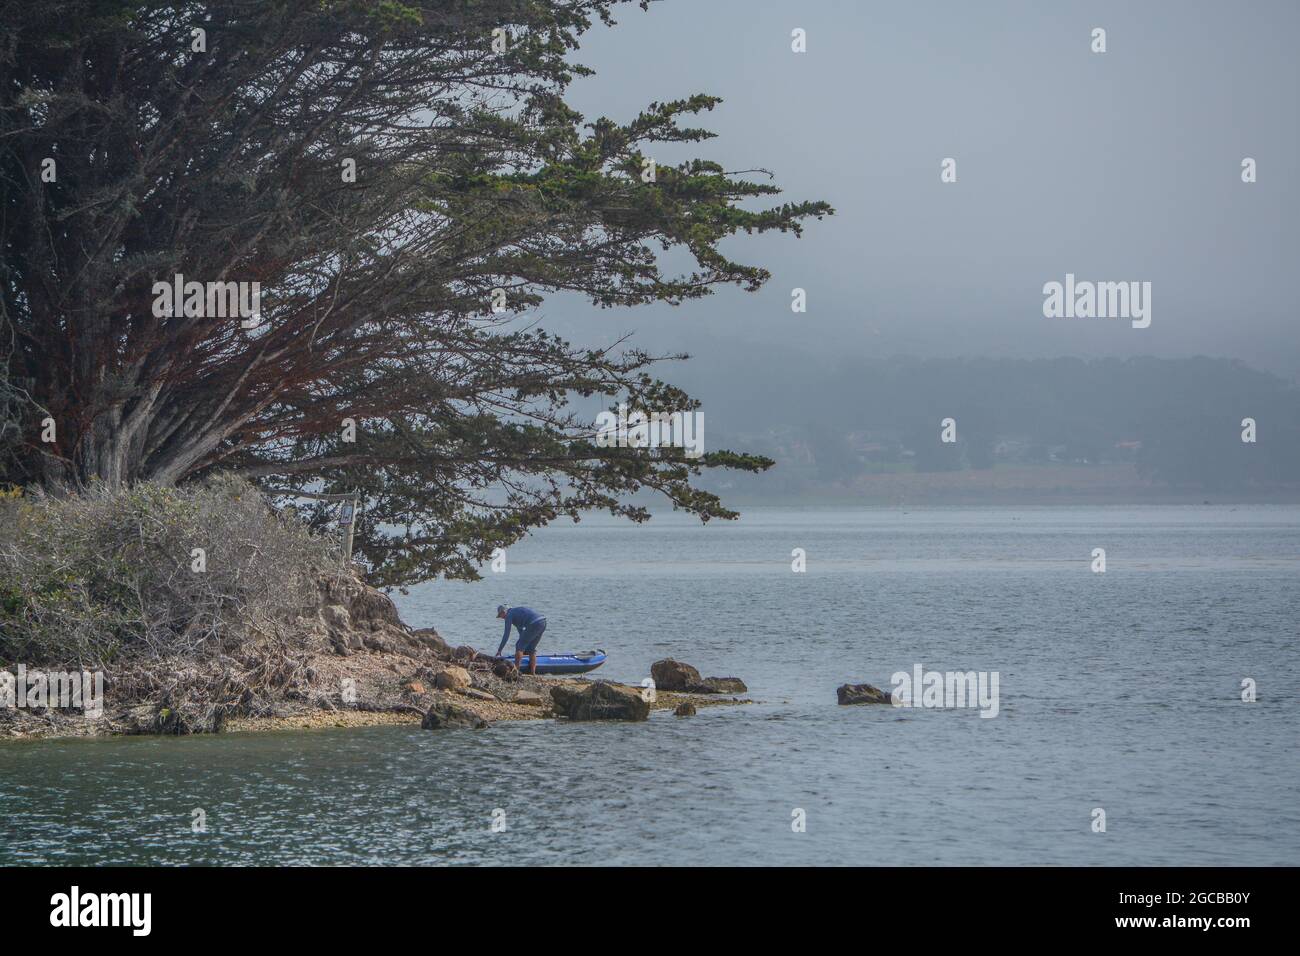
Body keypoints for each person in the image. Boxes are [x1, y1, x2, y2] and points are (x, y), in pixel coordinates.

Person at [495, 605, 547, 675]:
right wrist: (524, 648)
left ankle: (516, 671)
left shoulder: (509, 615)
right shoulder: (516, 612)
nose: (502, 618)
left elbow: (506, 634)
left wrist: (499, 650)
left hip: (534, 623)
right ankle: (533, 673)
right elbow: (521, 633)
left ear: (504, 612)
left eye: (501, 615)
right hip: (542, 622)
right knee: (531, 649)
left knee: (519, 645)